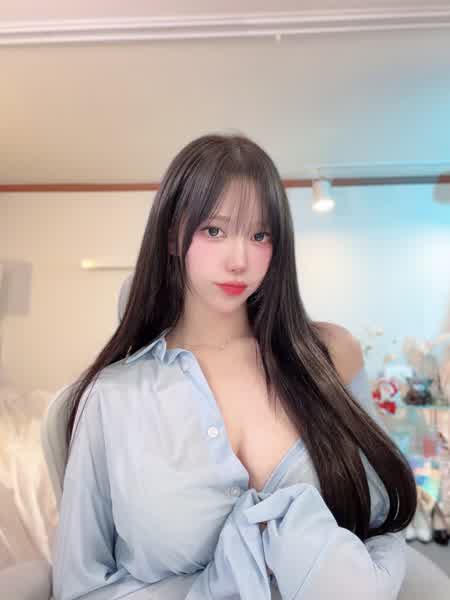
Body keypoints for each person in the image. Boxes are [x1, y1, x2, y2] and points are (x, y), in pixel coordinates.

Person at [52, 133, 417, 600]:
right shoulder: (112, 396)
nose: (239, 260)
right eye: (214, 231)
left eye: (260, 235)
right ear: (172, 234)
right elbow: (80, 585)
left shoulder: (330, 356)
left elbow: (383, 522)